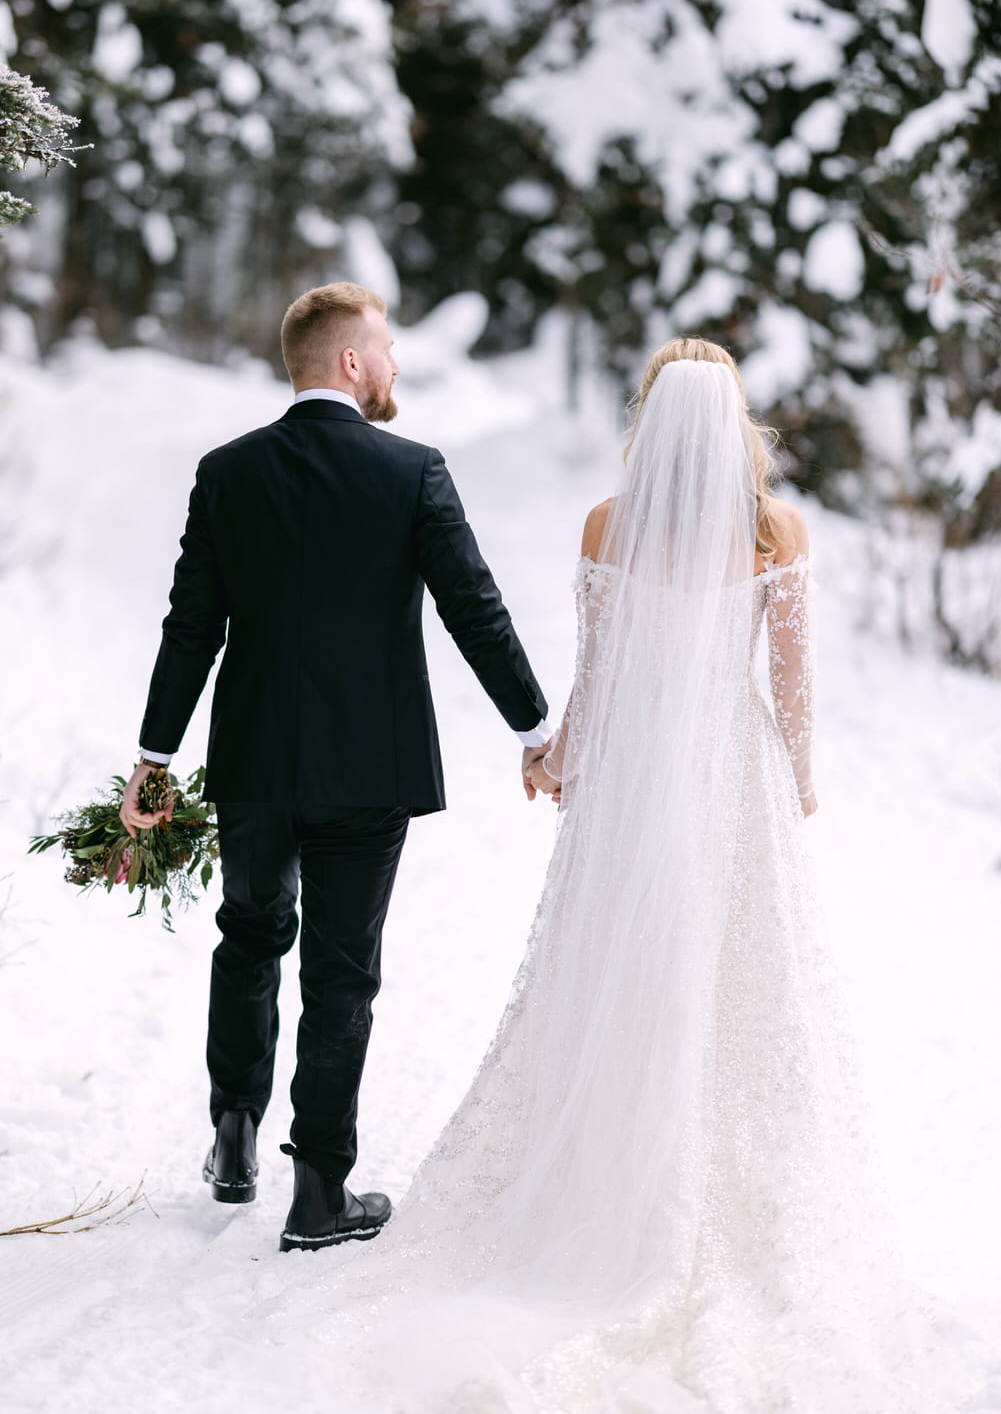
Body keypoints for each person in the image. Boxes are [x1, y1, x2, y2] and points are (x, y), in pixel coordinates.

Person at [271, 337, 964, 1412]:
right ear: (732, 421)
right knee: (734, 974)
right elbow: (790, 686)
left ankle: (608, 1177)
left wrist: (561, 755)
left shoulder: (608, 522)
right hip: (730, 776)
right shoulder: (774, 530)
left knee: (618, 970)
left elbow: (596, 671)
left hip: (636, 771)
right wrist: (804, 784)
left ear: (649, 418)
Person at [118, 281, 553, 1252]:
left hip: (254, 761)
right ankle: (318, 1195)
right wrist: (532, 726)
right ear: (350, 363)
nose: (395, 364)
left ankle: (232, 1138)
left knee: (249, 933)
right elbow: (470, 606)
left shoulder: (228, 472)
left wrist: (154, 756)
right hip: (368, 766)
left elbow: (192, 626)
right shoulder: (410, 471)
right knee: (340, 976)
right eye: (387, 348)